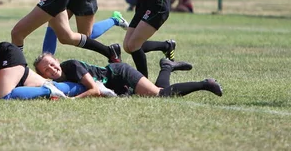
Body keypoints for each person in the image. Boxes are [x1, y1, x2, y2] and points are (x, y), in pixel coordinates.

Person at [33, 52, 223, 99]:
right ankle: (167, 66)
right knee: (160, 91)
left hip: (120, 73)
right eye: (46, 70)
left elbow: (93, 90)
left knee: (160, 95)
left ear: (57, 61)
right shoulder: (54, 81)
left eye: (51, 64)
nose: (51, 69)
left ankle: (205, 84)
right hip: (116, 85)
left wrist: (72, 100)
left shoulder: (72, 66)